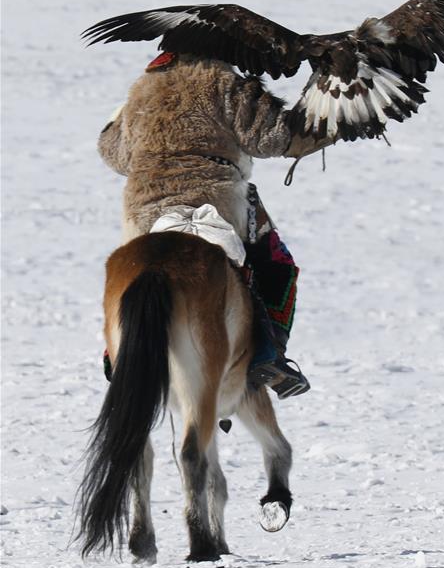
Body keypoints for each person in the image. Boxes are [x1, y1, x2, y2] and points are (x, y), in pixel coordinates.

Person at [97, 52, 325, 399]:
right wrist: (330, 124)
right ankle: (268, 354)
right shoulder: (224, 83)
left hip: (145, 205)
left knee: (134, 266)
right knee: (276, 263)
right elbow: (272, 139)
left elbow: (113, 154)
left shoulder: (142, 88)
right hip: (215, 199)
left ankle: (119, 350)